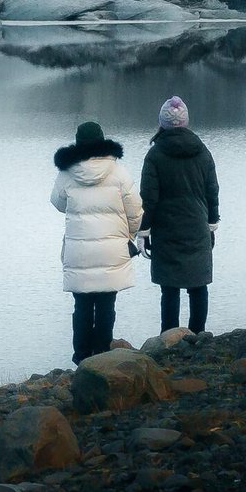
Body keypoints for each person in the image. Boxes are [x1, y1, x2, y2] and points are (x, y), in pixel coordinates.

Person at [51, 121, 143, 365]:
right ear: (102, 140)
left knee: (82, 305)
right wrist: (129, 237)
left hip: (79, 250)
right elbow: (135, 211)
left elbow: (58, 203)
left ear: (78, 142)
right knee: (106, 304)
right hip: (112, 250)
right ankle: (103, 356)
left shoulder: (67, 171)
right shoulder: (118, 171)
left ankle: (81, 357)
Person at [140, 96, 219, 335]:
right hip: (197, 227)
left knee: (170, 288)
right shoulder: (202, 151)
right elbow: (212, 191)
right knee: (198, 286)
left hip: (166, 230)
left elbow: (149, 199)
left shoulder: (154, 156)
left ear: (162, 123)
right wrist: (212, 224)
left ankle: (169, 337)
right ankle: (199, 336)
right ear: (185, 122)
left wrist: (144, 231)